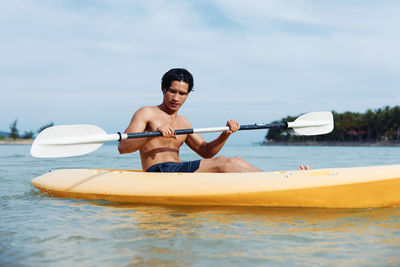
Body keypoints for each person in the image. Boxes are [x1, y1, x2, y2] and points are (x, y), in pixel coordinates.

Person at [118, 68, 310, 172]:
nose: (176, 98)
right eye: (172, 91)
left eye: (182, 93)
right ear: (163, 88)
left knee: (234, 161)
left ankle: (279, 179)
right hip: (158, 172)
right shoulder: (146, 113)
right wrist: (152, 135)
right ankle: (280, 180)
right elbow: (123, 148)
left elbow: (206, 152)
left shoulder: (184, 122)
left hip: (177, 171)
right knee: (226, 163)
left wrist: (225, 135)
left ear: (188, 95)